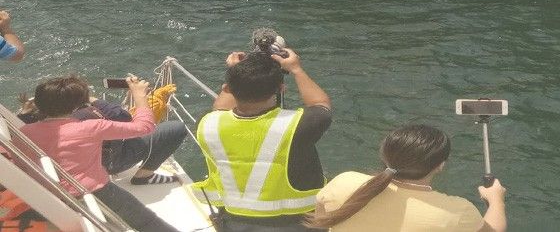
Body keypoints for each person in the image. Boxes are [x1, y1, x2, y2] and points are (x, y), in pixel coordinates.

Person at [193, 46, 332, 231]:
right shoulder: (299, 126)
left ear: (228, 88)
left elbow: (220, 108)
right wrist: (296, 69)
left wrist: (235, 72)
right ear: (281, 89)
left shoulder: (208, 126)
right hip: (298, 226)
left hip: (233, 224)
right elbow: (320, 104)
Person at [19, 75, 179, 232]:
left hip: (49, 197)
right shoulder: (91, 127)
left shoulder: (24, 132)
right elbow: (144, 127)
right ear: (77, 105)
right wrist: (139, 96)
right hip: (97, 193)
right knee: (148, 222)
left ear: (39, 103)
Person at [310, 124, 508, 232]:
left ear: (384, 153)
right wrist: (496, 200)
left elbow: (321, 217)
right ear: (440, 165)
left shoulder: (345, 181)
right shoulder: (456, 211)